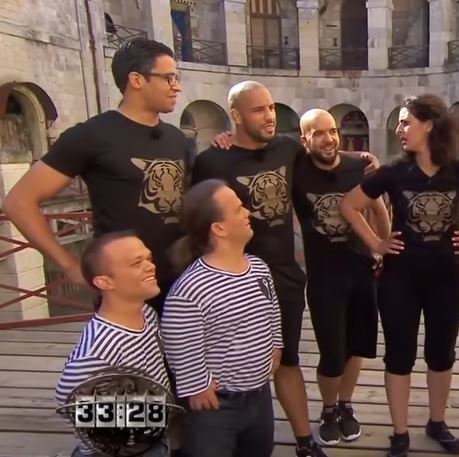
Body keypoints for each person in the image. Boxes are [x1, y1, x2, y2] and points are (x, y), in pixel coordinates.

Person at [194, 80, 378, 457]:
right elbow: (197, 219)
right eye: (258, 110)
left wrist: (364, 159)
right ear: (236, 116)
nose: (269, 116)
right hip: (234, 278)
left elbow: (326, 151)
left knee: (287, 358)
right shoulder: (212, 161)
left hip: (285, 276)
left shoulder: (287, 148)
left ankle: (304, 440)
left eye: (271, 108)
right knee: (238, 357)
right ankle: (224, 433)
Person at [3, 38, 191, 317]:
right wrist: (69, 265)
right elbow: (19, 202)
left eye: (177, 77)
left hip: (183, 284)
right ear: (136, 80)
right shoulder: (91, 136)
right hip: (124, 292)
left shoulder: (177, 139)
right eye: (168, 78)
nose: (176, 86)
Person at [341, 94, 459, 457]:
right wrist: (377, 243)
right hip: (399, 278)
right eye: (399, 122)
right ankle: (399, 433)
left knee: (442, 353)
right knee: (399, 356)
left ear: (429, 125)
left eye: (406, 122)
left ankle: (437, 422)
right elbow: (349, 205)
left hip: (448, 277)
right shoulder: (393, 173)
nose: (400, 129)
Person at [161, 179, 282, 457]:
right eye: (239, 209)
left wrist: (276, 344)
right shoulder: (192, 287)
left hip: (260, 397)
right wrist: (196, 384)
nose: (248, 212)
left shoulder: (259, 269)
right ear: (219, 228)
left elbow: (272, 311)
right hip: (216, 407)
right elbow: (179, 341)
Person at [292, 108, 389, 445]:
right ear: (304, 140)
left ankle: (345, 405)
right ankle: (328, 408)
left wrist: (382, 249)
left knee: (356, 345)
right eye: (318, 133)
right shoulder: (296, 171)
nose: (328, 138)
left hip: (361, 269)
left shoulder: (357, 166)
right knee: (332, 352)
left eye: (332, 131)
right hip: (323, 275)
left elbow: (378, 208)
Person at [55, 231, 170, 457]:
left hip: (151, 441)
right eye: (136, 263)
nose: (150, 266)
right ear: (105, 282)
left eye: (148, 258)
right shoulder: (100, 347)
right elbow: (66, 399)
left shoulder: (147, 313)